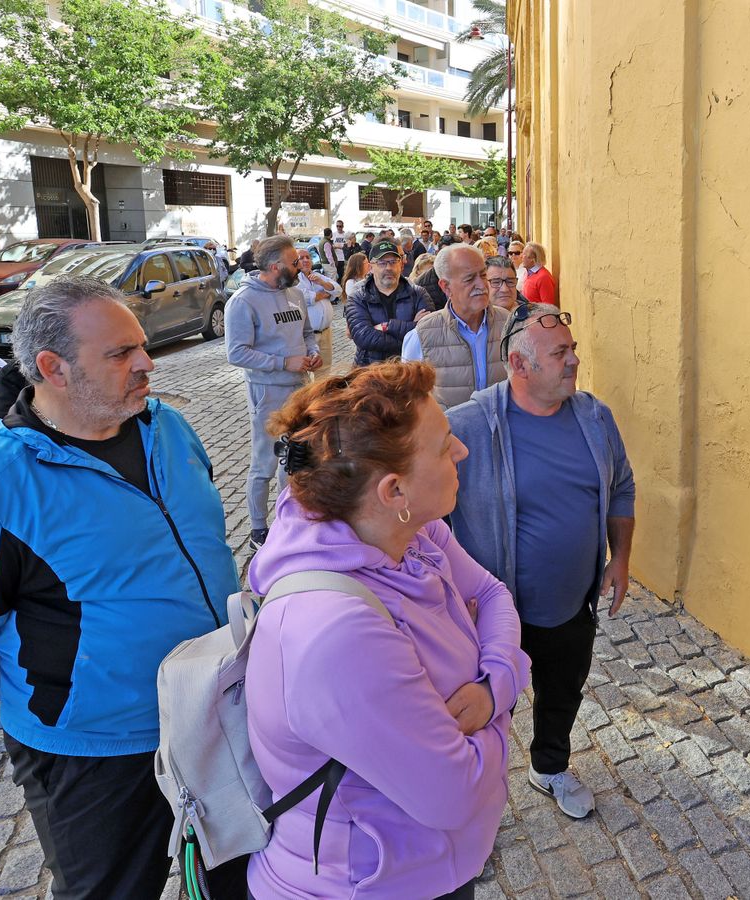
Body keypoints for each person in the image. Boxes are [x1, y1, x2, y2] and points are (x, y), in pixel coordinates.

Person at [0, 275, 242, 899]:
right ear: (52, 368)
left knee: (239, 880)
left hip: (218, 718)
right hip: (94, 756)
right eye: (120, 354)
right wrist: (58, 691)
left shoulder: (168, 429)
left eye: (142, 346)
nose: (146, 364)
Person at [245, 362, 530, 898]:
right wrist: (496, 723)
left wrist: (495, 687)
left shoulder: (410, 534)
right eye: (445, 447)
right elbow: (457, 793)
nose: (462, 452)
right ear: (394, 490)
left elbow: (492, 595)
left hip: (421, 866)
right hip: (368, 884)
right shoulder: (339, 635)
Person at [447, 303, 635, 819]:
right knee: (484, 709)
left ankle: (548, 765)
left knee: (562, 691)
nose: (574, 360)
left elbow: (622, 488)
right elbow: (426, 515)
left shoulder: (595, 417)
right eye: (560, 353)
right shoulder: (466, 427)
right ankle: (470, 805)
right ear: (520, 365)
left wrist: (620, 559)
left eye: (572, 349)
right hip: (492, 613)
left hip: (574, 604)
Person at [226, 234, 321, 548]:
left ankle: (288, 521)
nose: (300, 267)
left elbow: (307, 332)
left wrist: (312, 351)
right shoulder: (242, 301)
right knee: (265, 461)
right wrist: (283, 362)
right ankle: (258, 530)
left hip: (300, 389)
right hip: (267, 393)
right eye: (295, 262)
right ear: (276, 265)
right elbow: (236, 353)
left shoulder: (293, 293)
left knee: (293, 460)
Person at [401, 245, 510, 408]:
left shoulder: (509, 323)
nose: (481, 285)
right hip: (451, 432)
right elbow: (409, 399)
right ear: (445, 287)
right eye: (469, 279)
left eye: (483, 275)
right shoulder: (421, 335)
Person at [345, 239, 434, 366]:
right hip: (369, 371)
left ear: (401, 265)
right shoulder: (358, 297)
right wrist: (411, 328)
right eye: (382, 263)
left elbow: (428, 331)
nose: (388, 268)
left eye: (393, 262)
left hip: (409, 371)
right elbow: (364, 337)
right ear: (370, 267)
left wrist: (387, 326)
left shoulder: (419, 294)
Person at [296, 251, 340, 374]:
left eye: (308, 257)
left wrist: (322, 283)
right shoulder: (295, 279)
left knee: (325, 368)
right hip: (308, 335)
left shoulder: (317, 275)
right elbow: (301, 296)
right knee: (306, 370)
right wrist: (321, 295)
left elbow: (337, 290)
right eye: (301, 258)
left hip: (325, 331)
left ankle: (323, 392)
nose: (305, 260)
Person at [520, 242, 558, 307]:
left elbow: (548, 307)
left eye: (524, 254)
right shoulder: (528, 272)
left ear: (533, 259)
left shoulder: (544, 277)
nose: (521, 257)